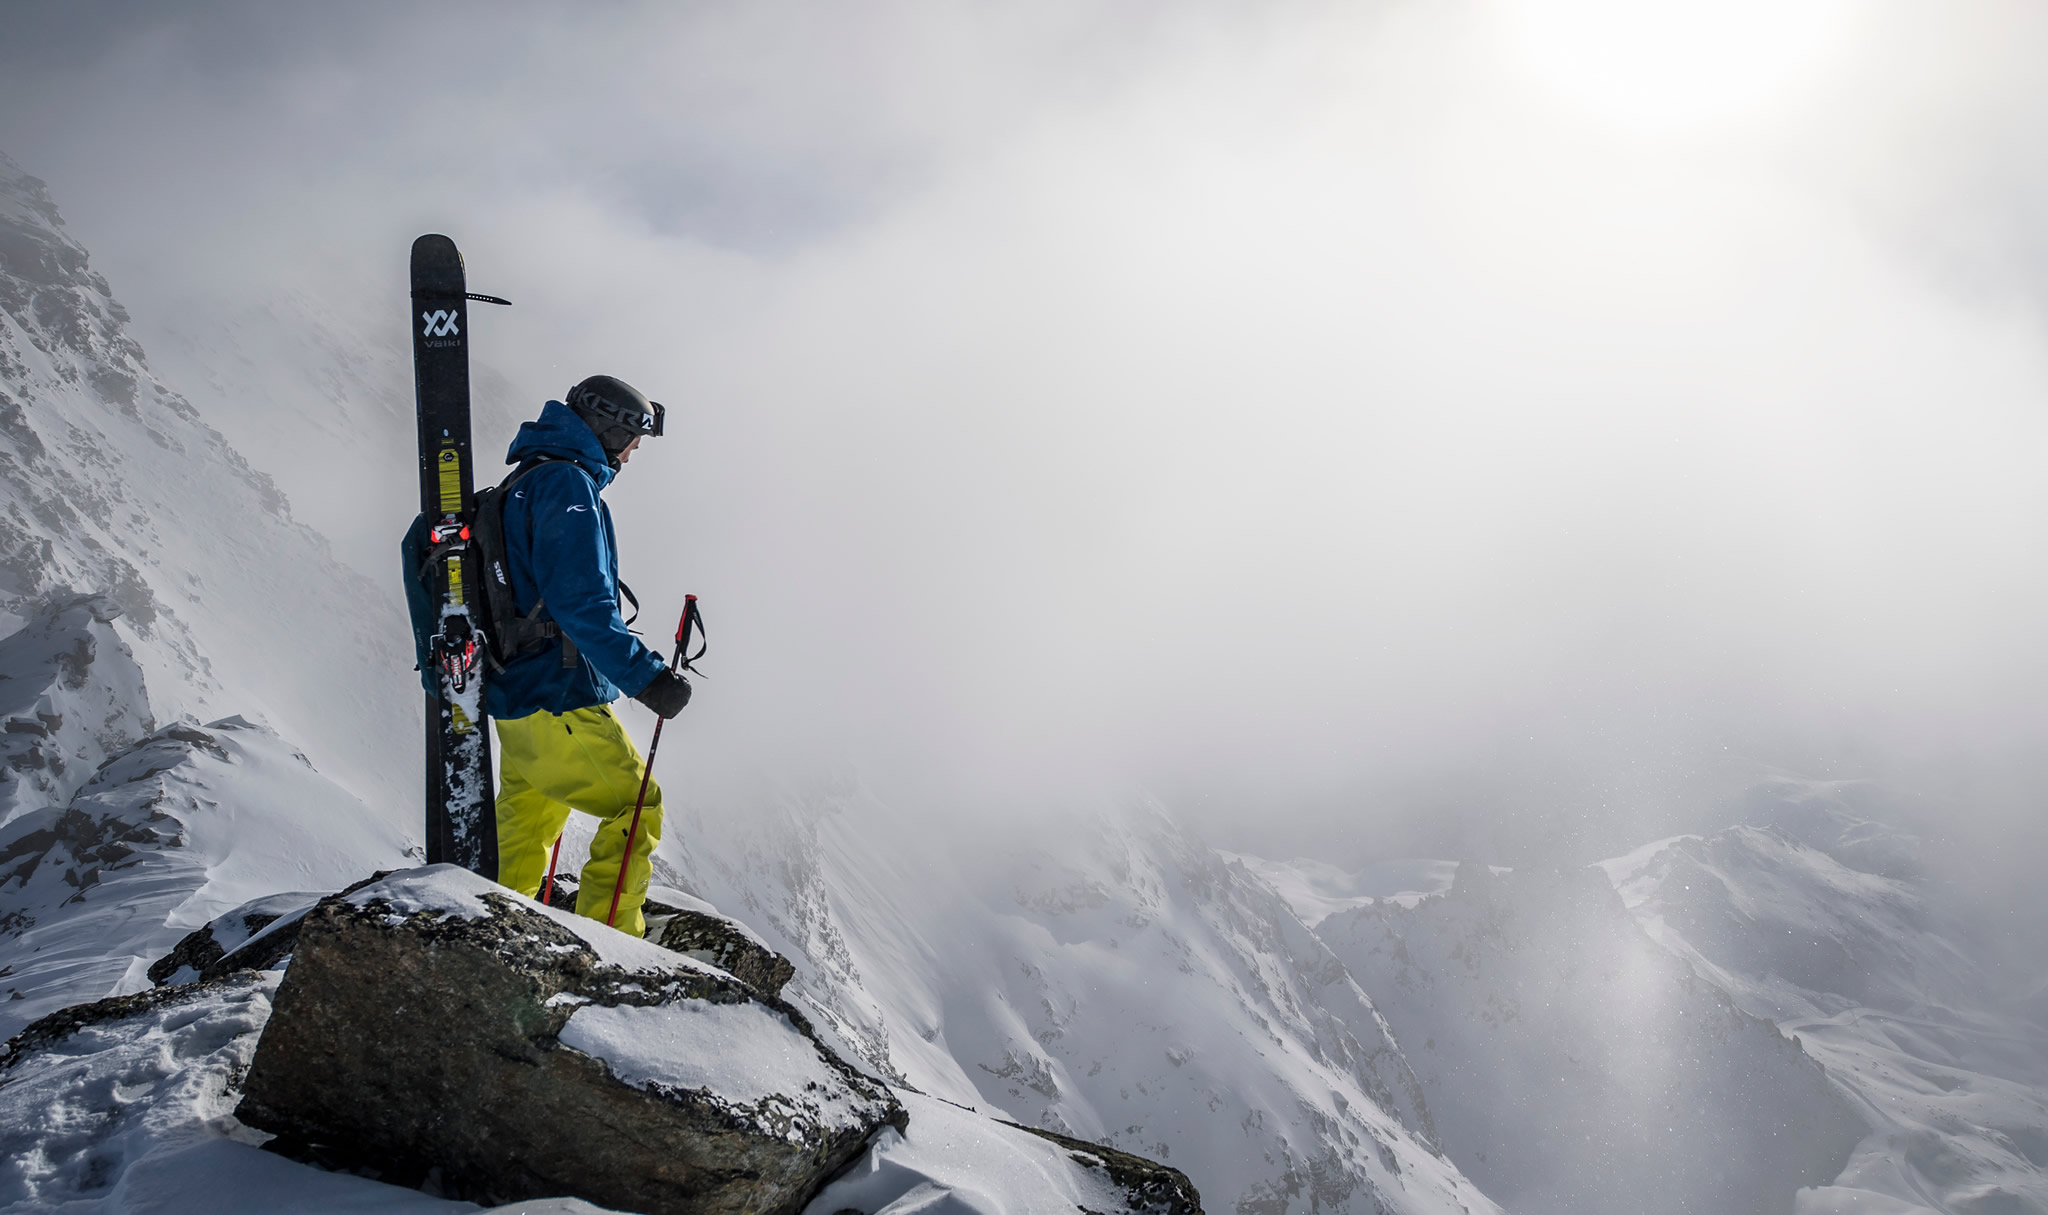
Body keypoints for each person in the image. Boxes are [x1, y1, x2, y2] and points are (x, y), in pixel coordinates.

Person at [483, 374, 693, 936]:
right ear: (607, 428)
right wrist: (648, 678)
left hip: (515, 694)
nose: (633, 453)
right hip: (559, 694)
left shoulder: (524, 481)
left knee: (530, 816)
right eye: (633, 439)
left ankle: (494, 927)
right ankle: (614, 943)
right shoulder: (566, 486)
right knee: (637, 804)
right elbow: (581, 602)